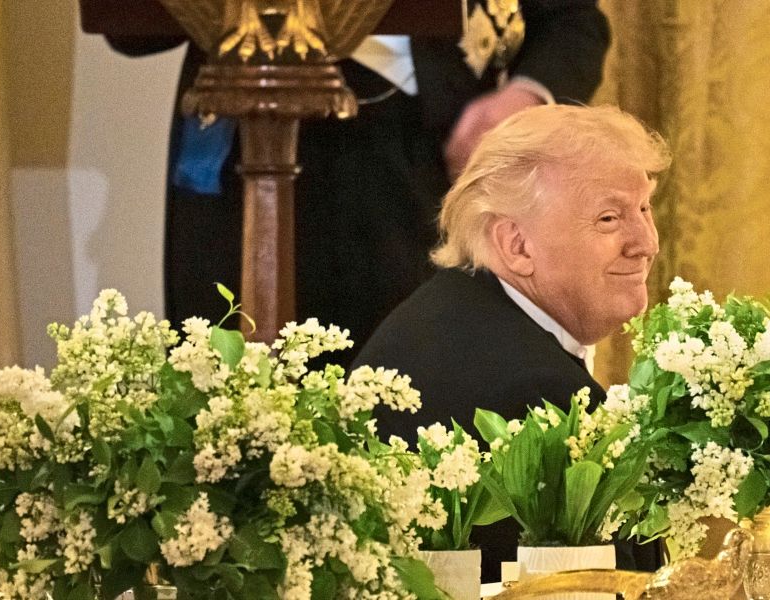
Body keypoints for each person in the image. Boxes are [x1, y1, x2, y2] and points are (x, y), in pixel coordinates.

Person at [106, 1, 611, 357]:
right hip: (241, 138)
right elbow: (129, 28)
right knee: (231, 404)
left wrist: (523, 99)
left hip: (422, 154)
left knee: (412, 401)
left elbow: (571, 21)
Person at [353, 103, 670, 580]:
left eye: (644, 208)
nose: (646, 243)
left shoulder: (448, 313)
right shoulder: (536, 394)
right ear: (516, 245)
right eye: (609, 219)